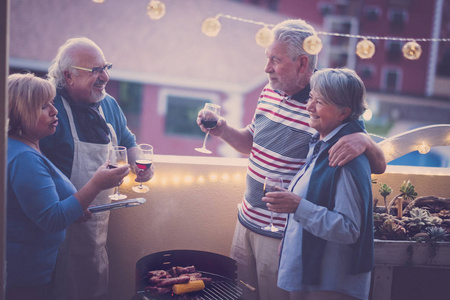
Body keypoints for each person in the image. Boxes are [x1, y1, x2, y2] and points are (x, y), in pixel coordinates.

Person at [196, 19, 385, 300]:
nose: (267, 67)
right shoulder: (269, 90)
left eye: (275, 59)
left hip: (282, 234)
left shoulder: (326, 103)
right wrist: (222, 130)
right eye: (267, 58)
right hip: (246, 221)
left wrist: (365, 140)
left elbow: (377, 164)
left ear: (302, 63)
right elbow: (251, 143)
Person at [40, 37, 153, 300]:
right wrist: (70, 205)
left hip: (97, 227)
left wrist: (140, 165)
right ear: (68, 76)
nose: (105, 77)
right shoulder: (49, 109)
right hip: (59, 229)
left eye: (106, 67)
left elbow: (128, 142)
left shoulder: (108, 104)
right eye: (95, 70)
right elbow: (36, 165)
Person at [6, 73, 130, 300]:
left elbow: (42, 208)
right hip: (26, 276)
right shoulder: (24, 159)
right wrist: (96, 184)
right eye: (44, 107)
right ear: (20, 113)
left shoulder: (23, 147)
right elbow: (52, 218)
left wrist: (75, 207)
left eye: (52, 103)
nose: (54, 112)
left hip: (37, 269)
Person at [265, 68, 374, 300]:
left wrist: (297, 206)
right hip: (313, 279)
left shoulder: (344, 158)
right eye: (311, 97)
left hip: (330, 286)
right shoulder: (325, 144)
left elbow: (349, 229)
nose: (309, 106)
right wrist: (290, 236)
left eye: (320, 101)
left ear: (344, 113)